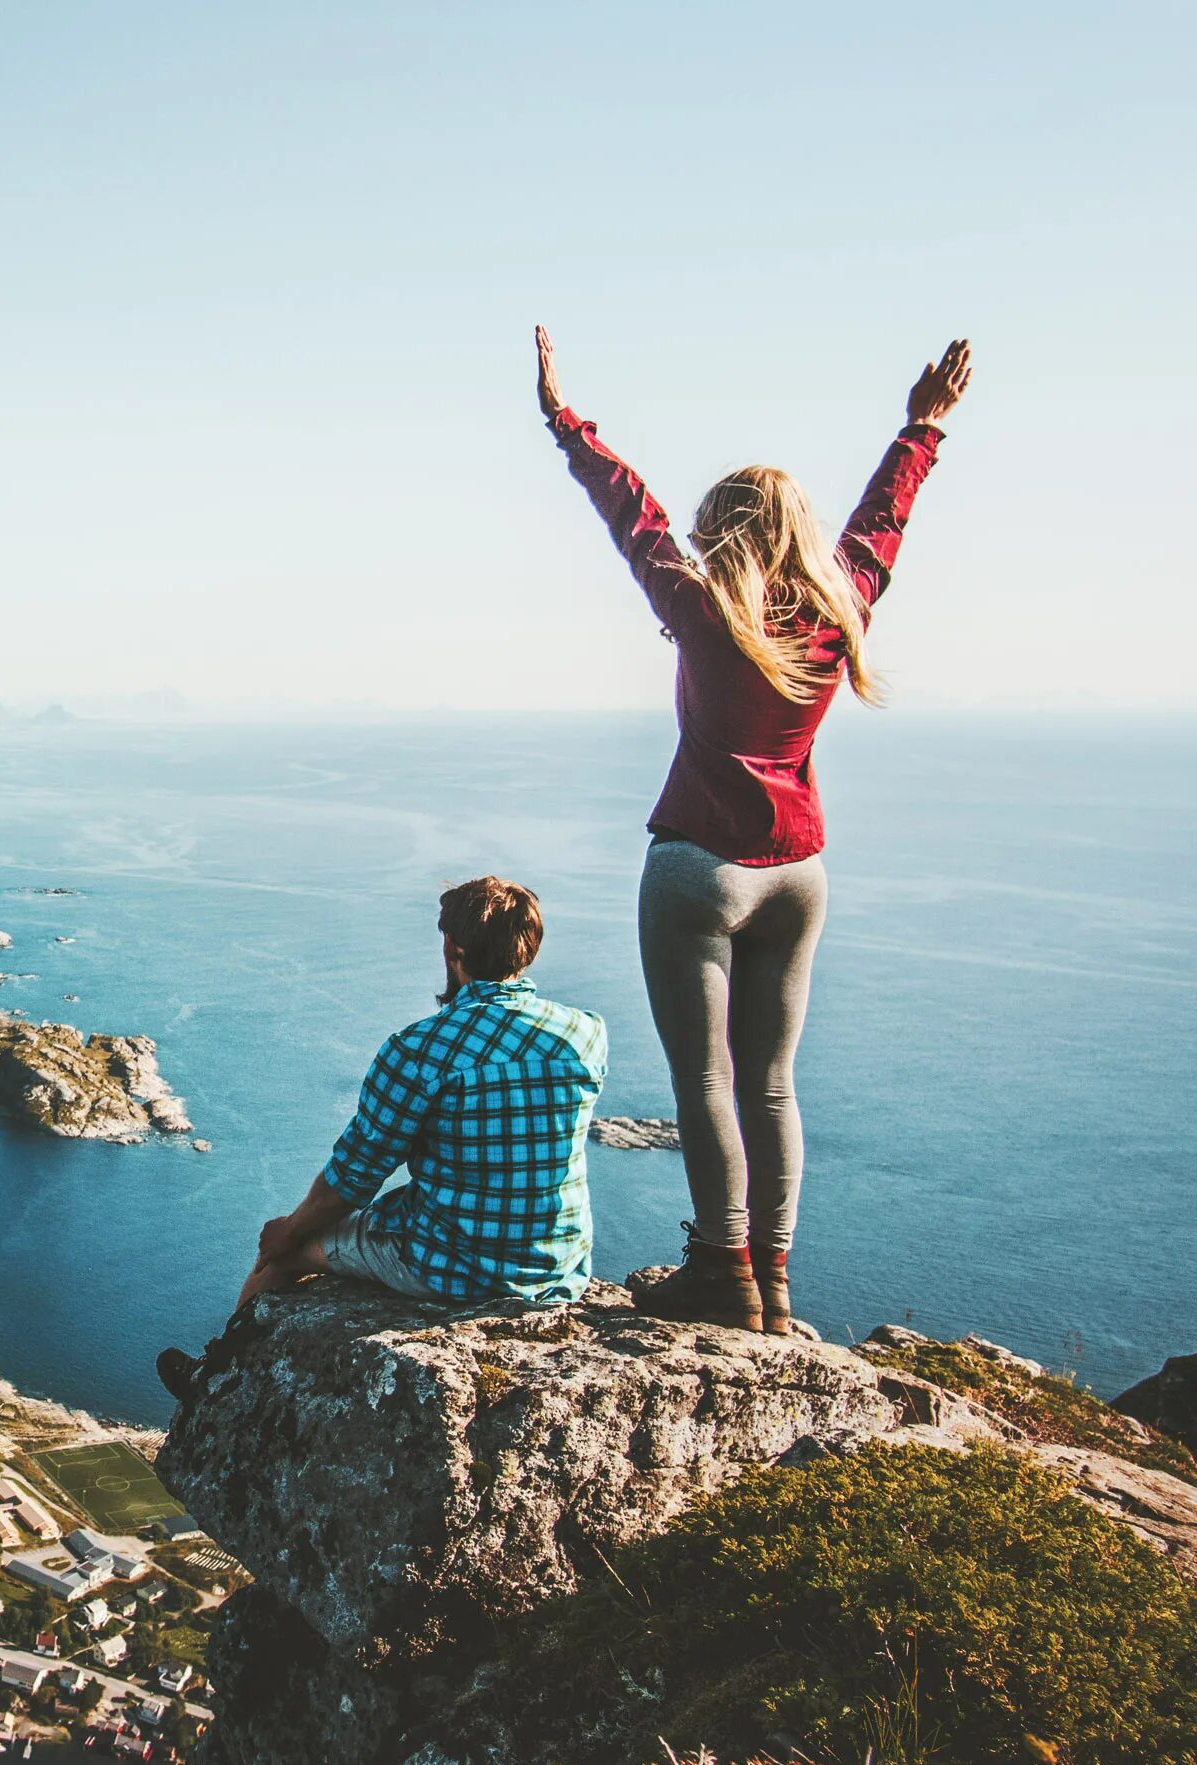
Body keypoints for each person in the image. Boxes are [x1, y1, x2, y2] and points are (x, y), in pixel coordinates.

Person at [535, 327, 972, 1333]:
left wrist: (565, 419)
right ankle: (772, 1282)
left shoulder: (697, 604)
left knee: (705, 1081)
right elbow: (883, 522)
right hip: (799, 872)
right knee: (772, 1084)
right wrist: (923, 425)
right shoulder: (841, 606)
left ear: (721, 531)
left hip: (699, 867)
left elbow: (627, 508)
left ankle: (720, 1271)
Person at [157, 877, 607, 1401]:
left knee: (282, 1259)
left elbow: (355, 1176)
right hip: (556, 1266)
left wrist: (288, 1231)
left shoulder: (420, 1049)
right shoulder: (586, 1033)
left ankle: (213, 1384)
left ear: (452, 948)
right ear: (529, 948)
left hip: (453, 1263)